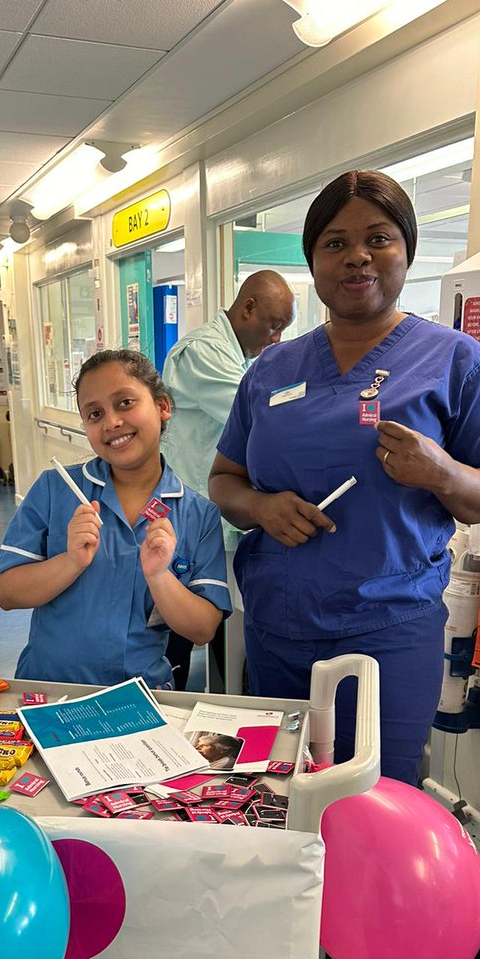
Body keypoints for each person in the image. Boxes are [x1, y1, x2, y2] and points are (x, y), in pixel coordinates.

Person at [209, 170, 480, 959]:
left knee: (380, 818)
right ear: (309, 264)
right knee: (290, 809)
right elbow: (224, 477)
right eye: (337, 242)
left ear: (406, 249)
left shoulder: (453, 362)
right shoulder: (272, 369)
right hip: (283, 622)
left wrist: (441, 471)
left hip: (389, 626)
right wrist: (261, 506)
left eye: (378, 237)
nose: (358, 256)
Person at [0, 349, 232, 688]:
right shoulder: (56, 489)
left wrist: (160, 577)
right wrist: (71, 562)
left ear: (163, 407)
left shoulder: (198, 515)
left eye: (124, 403)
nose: (111, 422)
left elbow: (203, 628)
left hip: (140, 694)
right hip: (50, 688)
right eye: (94, 413)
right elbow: (6, 592)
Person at [162, 270, 295, 686]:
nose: (275, 340)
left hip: (215, 518)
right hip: (191, 515)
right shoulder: (204, 351)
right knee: (179, 627)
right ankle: (172, 716)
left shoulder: (235, 356)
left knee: (216, 621)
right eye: (273, 327)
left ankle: (211, 707)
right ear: (247, 307)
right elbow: (261, 414)